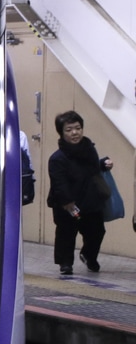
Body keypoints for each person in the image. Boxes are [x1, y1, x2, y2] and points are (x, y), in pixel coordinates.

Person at [47, 110, 114, 274]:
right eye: (69, 130)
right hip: (68, 203)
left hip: (90, 199)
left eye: (77, 128)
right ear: (61, 133)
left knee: (97, 231)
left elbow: (90, 169)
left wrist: (103, 163)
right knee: (66, 233)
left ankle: (89, 255)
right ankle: (65, 263)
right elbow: (59, 183)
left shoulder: (89, 148)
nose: (75, 133)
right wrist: (68, 203)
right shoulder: (57, 158)